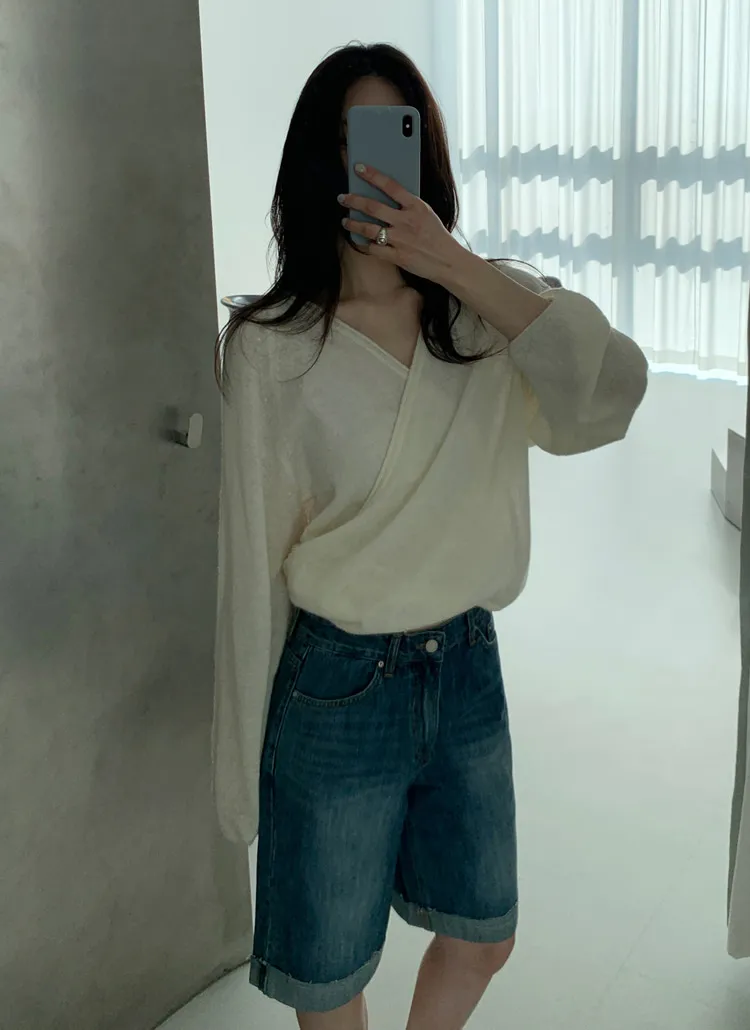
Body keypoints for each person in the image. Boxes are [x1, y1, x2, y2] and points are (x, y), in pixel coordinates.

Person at [213, 42, 648, 1030]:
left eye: (393, 136)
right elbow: (248, 568)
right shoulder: (274, 347)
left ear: (426, 154)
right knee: (329, 970)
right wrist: (239, 776)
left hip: (465, 666)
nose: (372, 164)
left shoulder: (488, 316)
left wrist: (450, 261)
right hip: (334, 684)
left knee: (483, 932)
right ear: (317, 163)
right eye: (349, 140)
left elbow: (612, 395)